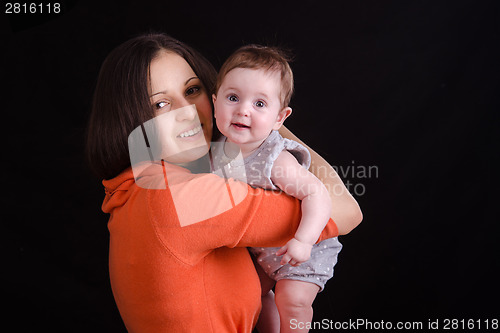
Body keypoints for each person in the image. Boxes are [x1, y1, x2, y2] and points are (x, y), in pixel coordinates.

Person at [85, 32, 362, 333]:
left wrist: (253, 117)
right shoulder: (179, 197)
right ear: (128, 118)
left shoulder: (136, 189)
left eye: (192, 90)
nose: (187, 112)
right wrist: (266, 125)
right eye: (161, 104)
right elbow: (346, 212)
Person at [211, 45, 343, 333]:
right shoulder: (215, 154)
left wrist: (304, 241)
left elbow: (316, 193)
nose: (243, 110)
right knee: (248, 296)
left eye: (260, 104)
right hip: (263, 252)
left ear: (280, 118)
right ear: (215, 102)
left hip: (299, 249)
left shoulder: (274, 158)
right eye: (233, 98)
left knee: (292, 300)